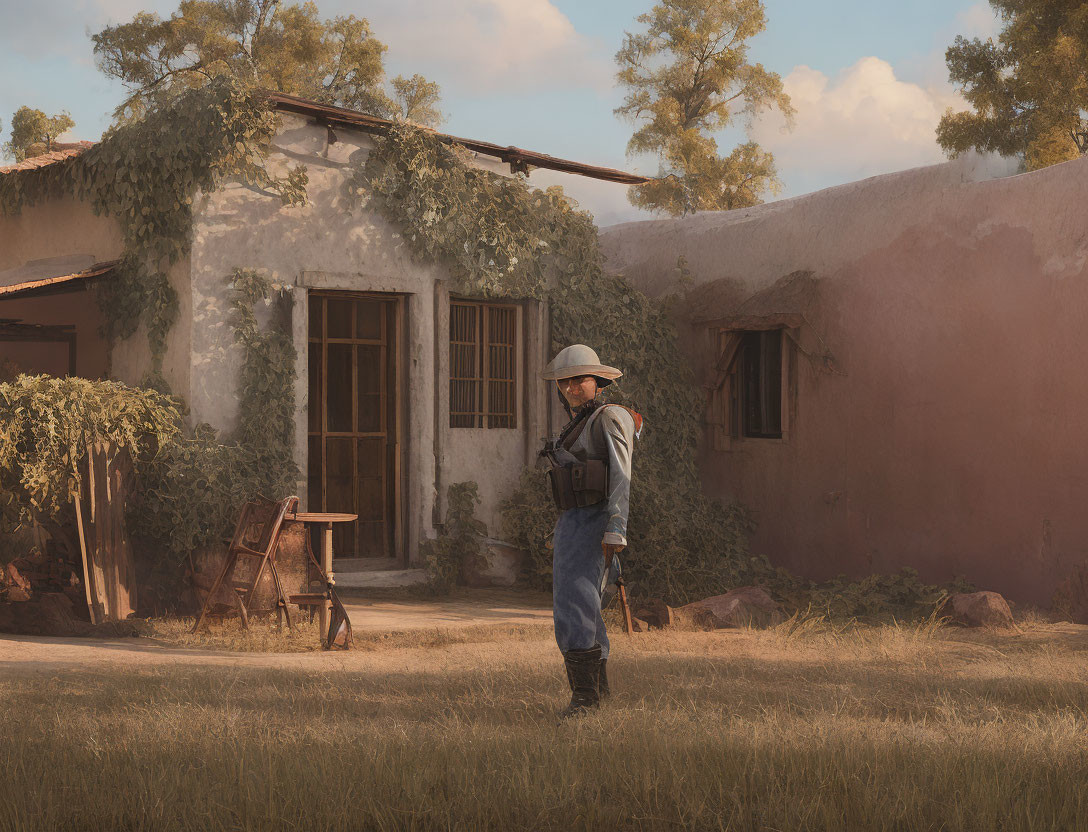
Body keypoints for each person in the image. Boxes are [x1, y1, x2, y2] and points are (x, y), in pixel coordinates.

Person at [540, 344, 642, 718]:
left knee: (578, 607)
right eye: (564, 382)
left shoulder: (610, 416)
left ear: (597, 382)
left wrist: (616, 528)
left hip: (596, 521)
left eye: (579, 380)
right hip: (574, 520)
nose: (570, 387)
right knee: (578, 606)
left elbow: (621, 477)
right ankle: (597, 695)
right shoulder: (578, 420)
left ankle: (586, 700)